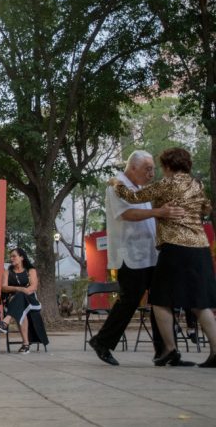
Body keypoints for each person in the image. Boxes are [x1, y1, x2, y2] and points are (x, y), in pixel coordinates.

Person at [109, 147, 216, 367]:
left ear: (168, 166)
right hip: (201, 248)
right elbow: (206, 208)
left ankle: (168, 349)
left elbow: (133, 196)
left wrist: (116, 184)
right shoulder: (197, 184)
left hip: (176, 249)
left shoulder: (165, 185)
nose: (156, 172)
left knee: (159, 299)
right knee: (200, 303)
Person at [88, 150, 182, 366]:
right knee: (130, 300)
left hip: (151, 252)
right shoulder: (116, 186)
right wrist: (158, 212)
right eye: (147, 169)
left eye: (153, 169)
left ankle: (165, 350)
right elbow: (126, 214)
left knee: (161, 300)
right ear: (133, 168)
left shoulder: (142, 189)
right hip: (130, 254)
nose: (151, 173)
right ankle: (102, 341)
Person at [0, 248, 49, 353]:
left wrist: (23, 291)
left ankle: (6, 321)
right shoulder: (7, 272)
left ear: (22, 257)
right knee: (20, 303)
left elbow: (33, 287)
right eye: (11, 256)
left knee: (21, 297)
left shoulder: (31, 271)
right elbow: (3, 287)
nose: (11, 258)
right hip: (14, 301)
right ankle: (25, 345)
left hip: (31, 302)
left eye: (14, 256)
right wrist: (19, 289)